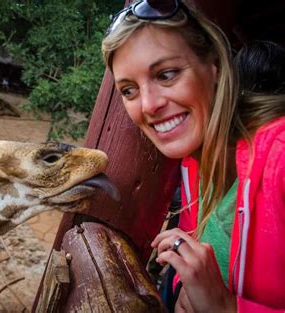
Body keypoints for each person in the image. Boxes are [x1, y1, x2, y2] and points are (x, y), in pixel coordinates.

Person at [102, 1, 285, 312]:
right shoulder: (192, 161)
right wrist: (183, 288)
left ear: (213, 66)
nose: (147, 105)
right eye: (129, 90)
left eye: (167, 74)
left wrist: (228, 308)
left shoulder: (279, 159)